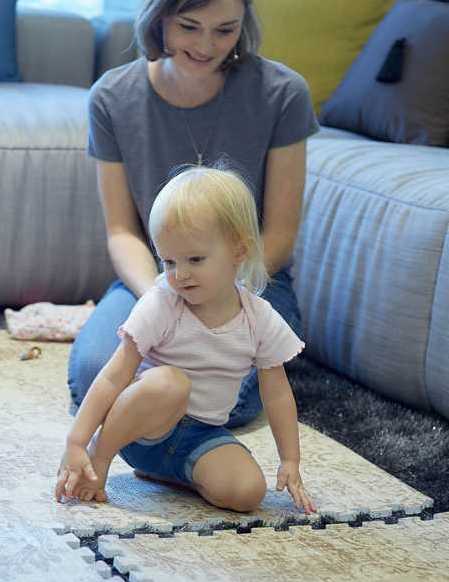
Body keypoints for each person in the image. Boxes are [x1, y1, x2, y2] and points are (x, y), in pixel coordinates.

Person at [69, 0, 320, 444]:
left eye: (224, 30)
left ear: (242, 24)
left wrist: (223, 297)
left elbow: (281, 231)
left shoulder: (282, 93)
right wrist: (163, 299)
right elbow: (122, 231)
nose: (206, 46)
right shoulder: (113, 98)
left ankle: (161, 419)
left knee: (227, 390)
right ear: (160, 16)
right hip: (161, 279)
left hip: (249, 284)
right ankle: (162, 412)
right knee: (94, 370)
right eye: (189, 27)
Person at [56, 168, 316, 514]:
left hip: (202, 435)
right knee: (171, 382)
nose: (180, 274)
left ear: (240, 250)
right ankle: (99, 458)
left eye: (195, 259)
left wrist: (290, 460)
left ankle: (175, 473)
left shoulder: (259, 317)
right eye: (169, 261)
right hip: (141, 430)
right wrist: (77, 441)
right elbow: (113, 375)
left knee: (248, 493)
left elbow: (278, 392)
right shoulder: (163, 302)